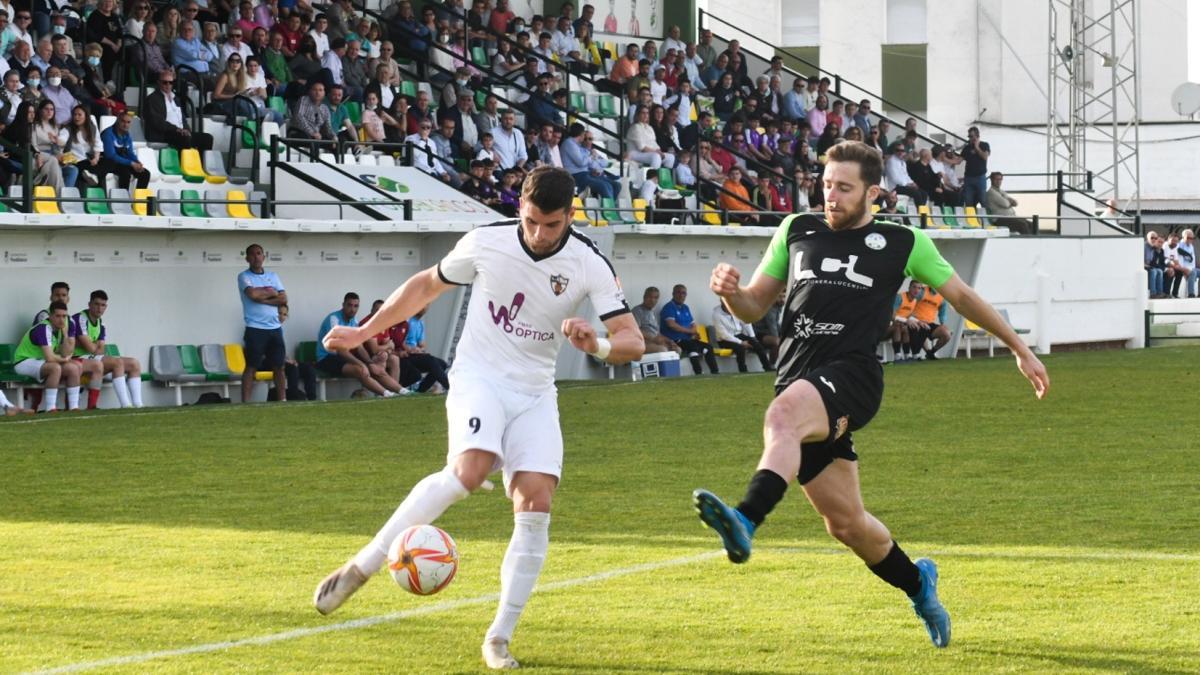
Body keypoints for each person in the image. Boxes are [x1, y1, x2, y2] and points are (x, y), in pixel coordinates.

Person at [691, 140, 1050, 651]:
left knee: (783, 416)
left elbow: (964, 297)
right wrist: (730, 291)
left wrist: (1020, 348)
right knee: (847, 524)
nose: (830, 197)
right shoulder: (796, 231)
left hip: (853, 377)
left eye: (843, 188)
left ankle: (745, 519)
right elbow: (752, 307)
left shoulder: (904, 242)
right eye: (825, 185)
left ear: (872, 193)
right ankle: (919, 583)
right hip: (799, 377)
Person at [311, 167, 644, 670]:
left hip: (535, 392)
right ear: (520, 210)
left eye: (551, 225)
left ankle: (498, 638)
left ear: (570, 217)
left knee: (537, 502)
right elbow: (426, 286)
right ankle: (362, 567)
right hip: (479, 377)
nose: (538, 234)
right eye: (531, 221)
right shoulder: (486, 242)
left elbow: (632, 342)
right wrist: (362, 333)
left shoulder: (588, 262)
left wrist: (594, 343)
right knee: (470, 469)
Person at [316, 292, 409, 397]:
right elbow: (340, 350)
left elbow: (359, 346)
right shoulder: (334, 319)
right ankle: (387, 395)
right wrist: (362, 364)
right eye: (349, 305)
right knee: (361, 370)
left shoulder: (354, 321)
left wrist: (369, 363)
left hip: (343, 357)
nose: (352, 309)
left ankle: (403, 391)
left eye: (356, 306)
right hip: (327, 358)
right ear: (343, 305)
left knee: (375, 368)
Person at [71, 289, 145, 408]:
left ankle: (138, 404)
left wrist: (92, 345)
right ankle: (125, 405)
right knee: (117, 362)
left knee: (134, 363)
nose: (99, 308)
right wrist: (94, 345)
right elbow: (90, 348)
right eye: (96, 304)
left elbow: (100, 350)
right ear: (89, 304)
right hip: (76, 358)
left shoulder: (101, 323)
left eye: (103, 305)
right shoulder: (80, 318)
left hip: (92, 358)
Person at [238, 243, 288, 402]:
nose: (256, 257)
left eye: (259, 253)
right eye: (252, 254)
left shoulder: (273, 276)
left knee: (279, 366)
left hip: (275, 328)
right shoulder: (244, 276)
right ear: (247, 258)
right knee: (251, 366)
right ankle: (246, 402)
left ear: (264, 256)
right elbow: (252, 295)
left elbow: (283, 299)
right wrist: (271, 293)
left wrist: (263, 297)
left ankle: (282, 400)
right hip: (255, 328)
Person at [13, 301, 82, 412]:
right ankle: (51, 408)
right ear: (50, 316)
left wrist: (65, 335)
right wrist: (64, 359)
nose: (61, 319)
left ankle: (74, 407)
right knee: (55, 368)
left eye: (64, 316)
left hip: (40, 362)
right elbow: (50, 357)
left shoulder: (61, 329)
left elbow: (65, 352)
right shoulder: (43, 328)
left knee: (74, 367)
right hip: (23, 362)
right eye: (58, 316)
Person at [143, 69, 215, 151]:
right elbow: (157, 122)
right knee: (185, 139)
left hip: (179, 132)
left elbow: (182, 119)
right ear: (158, 82)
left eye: (171, 82)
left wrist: (187, 130)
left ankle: (201, 162)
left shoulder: (175, 98)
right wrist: (177, 129)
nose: (168, 85)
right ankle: (184, 163)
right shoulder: (153, 99)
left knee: (207, 138)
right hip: (163, 133)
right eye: (165, 82)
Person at [659, 283, 718, 375]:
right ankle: (698, 372)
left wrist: (694, 332)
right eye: (678, 292)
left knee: (708, 347)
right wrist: (690, 331)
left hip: (688, 339)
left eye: (683, 293)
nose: (681, 295)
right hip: (675, 340)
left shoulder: (685, 308)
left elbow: (693, 324)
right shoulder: (668, 307)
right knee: (692, 347)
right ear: (673, 294)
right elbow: (672, 325)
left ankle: (715, 372)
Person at [713, 302, 771, 372]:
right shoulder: (717, 315)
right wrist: (741, 342)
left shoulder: (737, 308)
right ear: (723, 305)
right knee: (740, 348)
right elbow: (724, 334)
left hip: (738, 334)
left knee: (757, 345)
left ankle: (767, 367)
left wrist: (753, 337)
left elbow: (746, 323)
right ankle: (743, 370)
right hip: (724, 340)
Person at [101, 111, 151, 190]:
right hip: (109, 163)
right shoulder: (108, 133)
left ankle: (139, 201)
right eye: (123, 121)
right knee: (125, 173)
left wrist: (137, 162)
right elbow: (110, 155)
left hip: (123, 162)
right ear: (118, 120)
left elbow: (130, 153)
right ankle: (124, 200)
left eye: (128, 122)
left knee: (145, 174)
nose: (125, 125)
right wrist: (131, 163)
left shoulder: (127, 135)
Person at [631, 286, 681, 355]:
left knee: (677, 349)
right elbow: (635, 331)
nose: (652, 300)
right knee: (663, 350)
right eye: (650, 297)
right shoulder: (637, 311)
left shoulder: (652, 312)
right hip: (641, 343)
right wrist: (653, 339)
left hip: (654, 342)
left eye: (655, 298)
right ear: (644, 297)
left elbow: (657, 333)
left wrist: (669, 341)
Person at [960, 126, 990, 208]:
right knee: (968, 201)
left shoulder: (984, 145)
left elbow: (985, 157)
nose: (970, 138)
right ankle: (971, 219)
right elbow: (959, 160)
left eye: (971, 136)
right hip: (969, 178)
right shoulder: (967, 148)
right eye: (969, 136)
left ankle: (987, 219)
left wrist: (977, 148)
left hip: (980, 177)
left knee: (983, 199)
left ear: (977, 136)